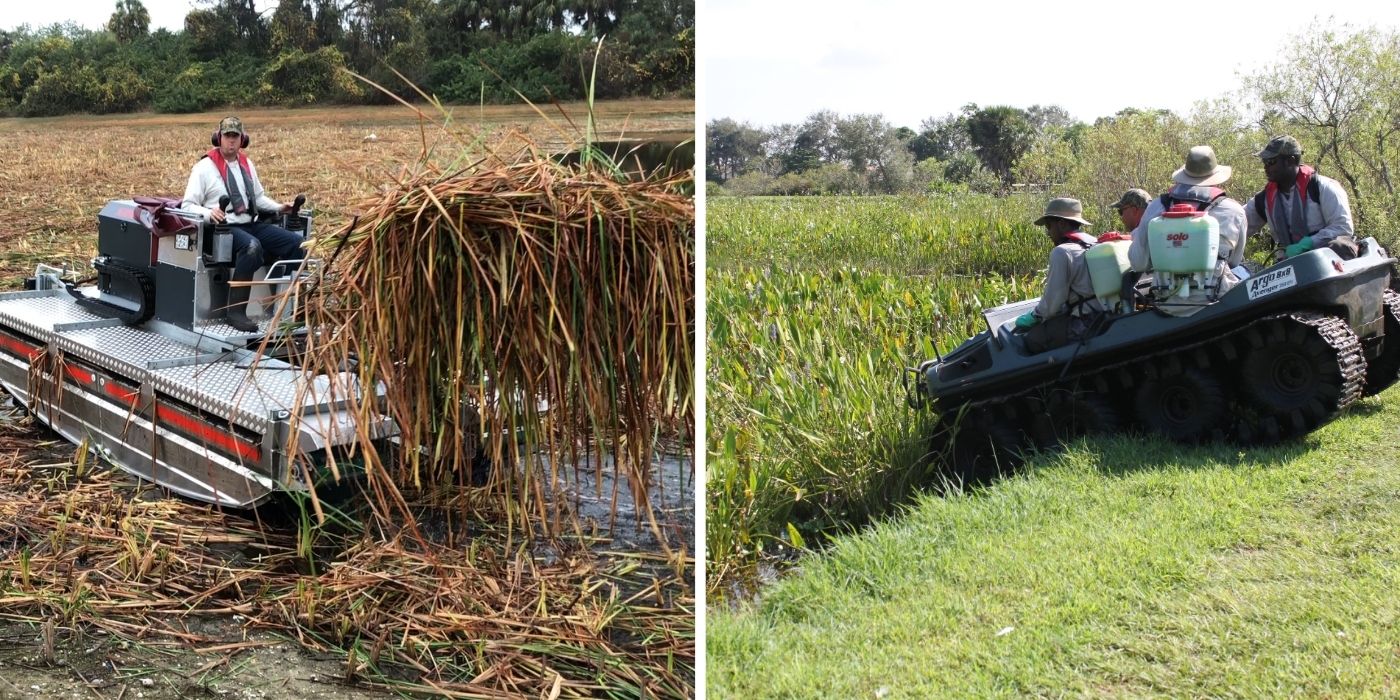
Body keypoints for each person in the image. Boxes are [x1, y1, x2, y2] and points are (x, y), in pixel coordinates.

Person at [181, 116, 302, 332]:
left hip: (250, 224)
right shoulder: (203, 168)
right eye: (227, 136)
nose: (231, 141)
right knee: (251, 247)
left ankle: (281, 303)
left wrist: (279, 208)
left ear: (242, 139)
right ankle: (235, 311)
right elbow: (187, 205)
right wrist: (210, 213)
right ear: (218, 138)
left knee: (297, 243)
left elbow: (258, 198)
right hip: (221, 229)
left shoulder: (247, 165)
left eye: (235, 136)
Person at [1128, 146, 1247, 310]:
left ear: (1185, 174)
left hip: (1167, 305)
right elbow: (1235, 261)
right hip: (1216, 301)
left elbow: (1138, 263)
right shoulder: (1233, 210)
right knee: (1244, 272)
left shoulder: (1156, 207)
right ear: (1215, 175)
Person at [1245, 135, 1357, 261]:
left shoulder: (1323, 187)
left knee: (1339, 245)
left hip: (1329, 259)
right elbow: (1239, 221)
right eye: (1264, 162)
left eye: (1271, 162)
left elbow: (1343, 227)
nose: (1266, 167)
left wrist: (1308, 243)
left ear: (1291, 161)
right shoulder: (1263, 199)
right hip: (1292, 264)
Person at [1014, 198, 1102, 349]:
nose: (1048, 232)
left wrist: (1035, 316)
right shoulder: (1095, 243)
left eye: (1048, 225)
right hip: (1105, 315)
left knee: (1030, 340)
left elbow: (1053, 301)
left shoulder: (1062, 252)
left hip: (1085, 323)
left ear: (1061, 224)